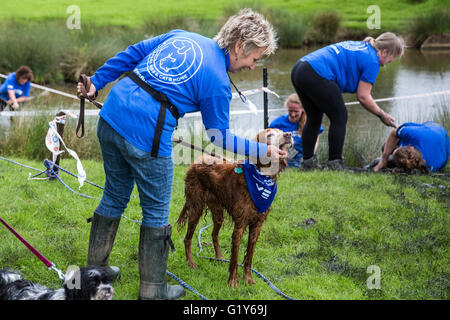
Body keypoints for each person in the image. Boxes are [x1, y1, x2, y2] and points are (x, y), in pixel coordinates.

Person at [77, 9, 284, 300]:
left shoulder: (181, 36)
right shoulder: (218, 82)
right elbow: (219, 137)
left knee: (114, 195)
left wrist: (96, 81)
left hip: (111, 117)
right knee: (157, 211)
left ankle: (94, 273)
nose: (253, 66)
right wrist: (263, 150)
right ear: (239, 46)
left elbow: (133, 52)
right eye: (255, 58)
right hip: (147, 135)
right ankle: (153, 291)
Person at [291, 32, 405, 170]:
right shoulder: (372, 61)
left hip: (300, 69)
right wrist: (382, 115)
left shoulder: (363, 46)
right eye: (390, 60)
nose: (387, 64)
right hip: (316, 72)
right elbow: (363, 96)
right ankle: (335, 164)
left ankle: (307, 164)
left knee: (314, 117)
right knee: (340, 116)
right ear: (384, 52)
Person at [269, 93, 323, 167]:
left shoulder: (310, 122)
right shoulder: (277, 123)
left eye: (296, 111)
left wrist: (309, 157)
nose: (293, 114)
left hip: (303, 160)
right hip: (284, 160)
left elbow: (315, 140)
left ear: (303, 109)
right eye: (290, 111)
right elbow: (270, 141)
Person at [373, 121, 450, 173]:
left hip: (443, 147)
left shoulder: (429, 167)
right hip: (435, 128)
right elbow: (394, 132)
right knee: (388, 146)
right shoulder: (414, 134)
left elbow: (393, 134)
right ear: (410, 146)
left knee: (385, 147)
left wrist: (384, 158)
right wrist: (384, 159)